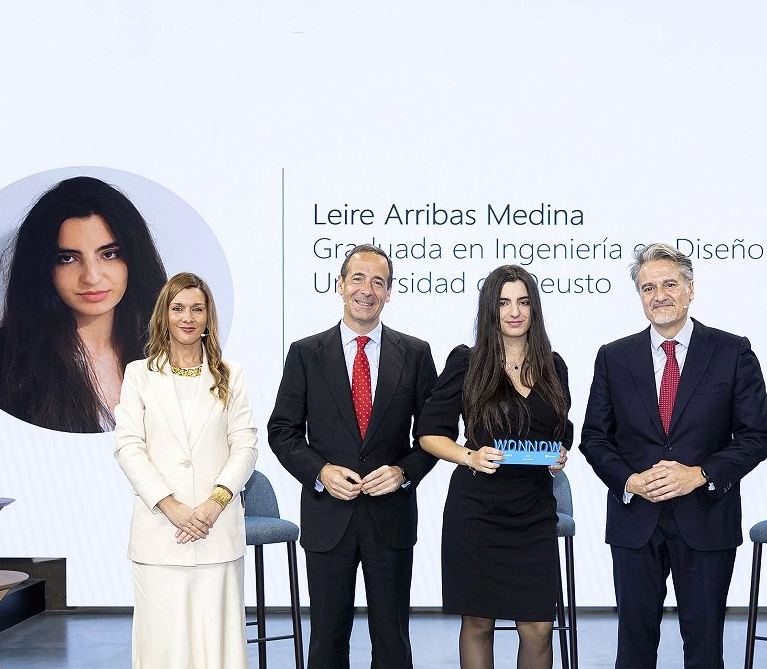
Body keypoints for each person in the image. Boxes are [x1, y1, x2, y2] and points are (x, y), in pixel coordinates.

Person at [580, 243, 767, 669]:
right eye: (648, 287)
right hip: (635, 521)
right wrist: (629, 481)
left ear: (690, 289)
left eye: (670, 284)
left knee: (705, 649)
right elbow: (594, 438)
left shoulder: (732, 351)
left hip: (706, 517)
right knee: (633, 649)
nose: (660, 295)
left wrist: (700, 474)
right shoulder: (613, 357)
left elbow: (757, 433)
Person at [268, 244, 438, 669]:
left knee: (393, 638)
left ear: (389, 291)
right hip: (329, 515)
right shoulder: (306, 353)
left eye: (378, 281)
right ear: (340, 286)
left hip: (391, 517)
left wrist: (403, 472)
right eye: (358, 279)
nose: (367, 290)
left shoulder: (416, 354)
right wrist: (320, 471)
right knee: (326, 639)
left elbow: (433, 437)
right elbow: (282, 431)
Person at [418, 264, 573, 669]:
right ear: (490, 310)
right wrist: (469, 455)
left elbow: (562, 429)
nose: (514, 311)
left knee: (539, 627)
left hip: (534, 511)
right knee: (478, 623)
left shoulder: (554, 367)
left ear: (534, 309)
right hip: (477, 511)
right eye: (504, 303)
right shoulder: (467, 362)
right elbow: (429, 434)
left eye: (523, 301)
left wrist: (559, 453)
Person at [114, 272, 257, 669]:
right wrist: (171, 506)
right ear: (165, 314)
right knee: (163, 647)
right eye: (178, 308)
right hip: (161, 533)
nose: (188, 318)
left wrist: (214, 504)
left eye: (197, 309)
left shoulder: (231, 373)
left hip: (217, 531)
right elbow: (129, 447)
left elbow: (245, 445)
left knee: (219, 648)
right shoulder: (138, 374)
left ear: (209, 316)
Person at [0, 176, 167, 433]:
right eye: (67, 258)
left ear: (134, 259)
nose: (92, 277)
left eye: (109, 254)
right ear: (42, 268)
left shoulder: (174, 347)